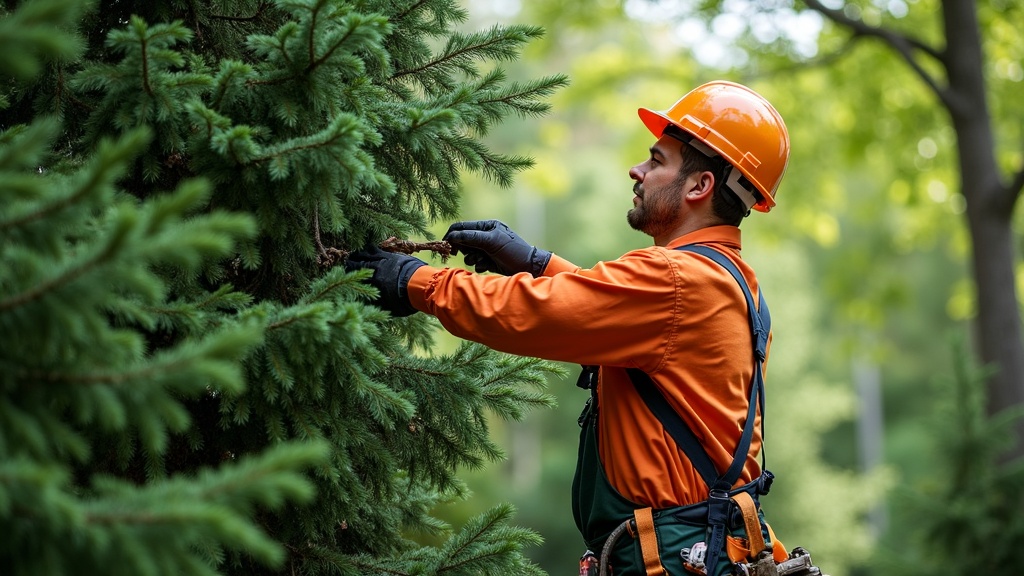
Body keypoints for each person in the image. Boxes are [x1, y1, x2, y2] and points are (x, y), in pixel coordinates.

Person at [347, 80, 792, 576]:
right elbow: (621, 316)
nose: (637, 170)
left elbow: (537, 314)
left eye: (656, 160)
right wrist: (540, 264)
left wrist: (415, 281)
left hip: (668, 556)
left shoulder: (676, 279)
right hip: (701, 547)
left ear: (698, 186)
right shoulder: (733, 285)